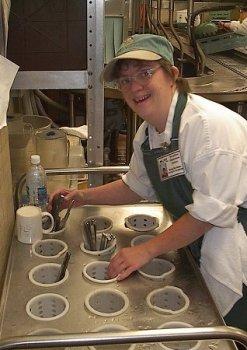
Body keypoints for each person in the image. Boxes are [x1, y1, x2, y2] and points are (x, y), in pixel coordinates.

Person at [49, 34, 247, 332]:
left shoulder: (207, 129)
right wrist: (82, 197)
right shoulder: (149, 134)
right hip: (199, 236)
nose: (135, 86)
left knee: (232, 328)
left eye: (145, 73)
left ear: (172, 76)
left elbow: (210, 213)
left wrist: (146, 250)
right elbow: (135, 186)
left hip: (235, 241)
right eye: (125, 80)